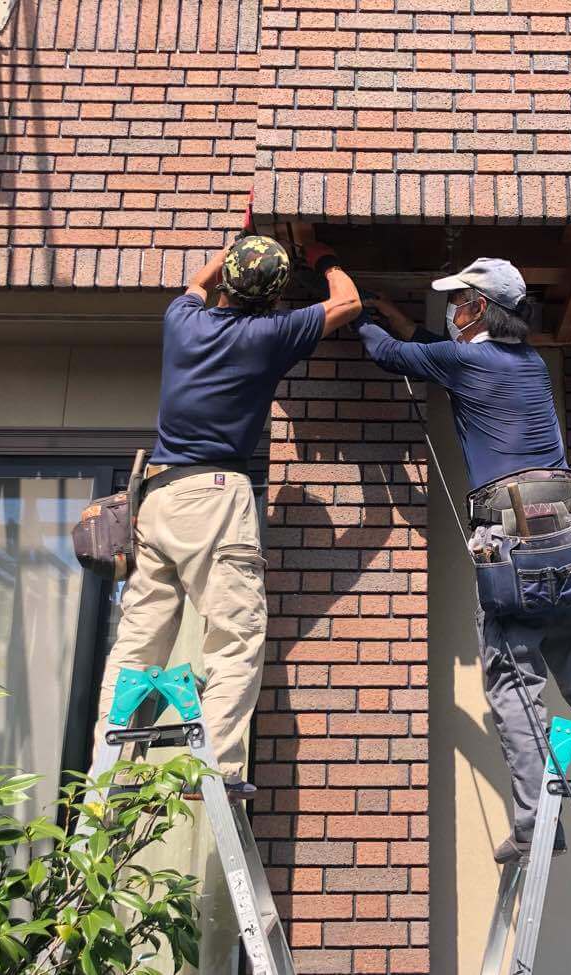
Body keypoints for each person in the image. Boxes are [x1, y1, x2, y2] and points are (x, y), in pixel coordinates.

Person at [354, 258, 571, 863]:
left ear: (480, 308)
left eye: (459, 300)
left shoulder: (467, 361)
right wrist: (407, 320)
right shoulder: (527, 364)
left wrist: (355, 310)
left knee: (514, 677)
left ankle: (539, 824)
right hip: (569, 526)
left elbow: (390, 355)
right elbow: (439, 351)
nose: (452, 311)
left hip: (513, 533)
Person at [94, 234, 361, 791]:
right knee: (234, 637)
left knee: (138, 643)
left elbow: (197, 282)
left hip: (158, 499)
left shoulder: (181, 319)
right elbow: (348, 303)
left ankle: (109, 768)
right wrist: (324, 256)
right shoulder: (266, 335)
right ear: (272, 297)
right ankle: (214, 771)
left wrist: (235, 247)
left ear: (228, 280)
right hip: (215, 497)